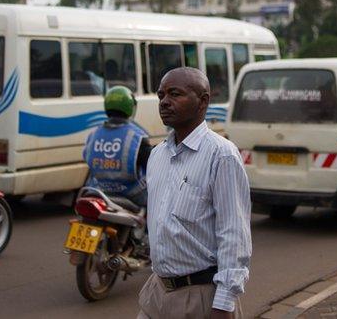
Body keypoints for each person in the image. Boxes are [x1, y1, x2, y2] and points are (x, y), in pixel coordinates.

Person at [138, 67, 251, 319]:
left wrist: (223, 304)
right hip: (157, 293)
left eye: (175, 94)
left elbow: (234, 234)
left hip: (200, 297)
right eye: (161, 95)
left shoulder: (221, 155)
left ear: (203, 101)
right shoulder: (158, 155)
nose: (165, 102)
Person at [82, 86, 152, 207]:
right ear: (130, 107)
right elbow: (150, 163)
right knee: (157, 207)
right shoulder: (136, 136)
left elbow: (86, 158)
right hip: (130, 193)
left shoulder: (93, 134)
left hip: (98, 190)